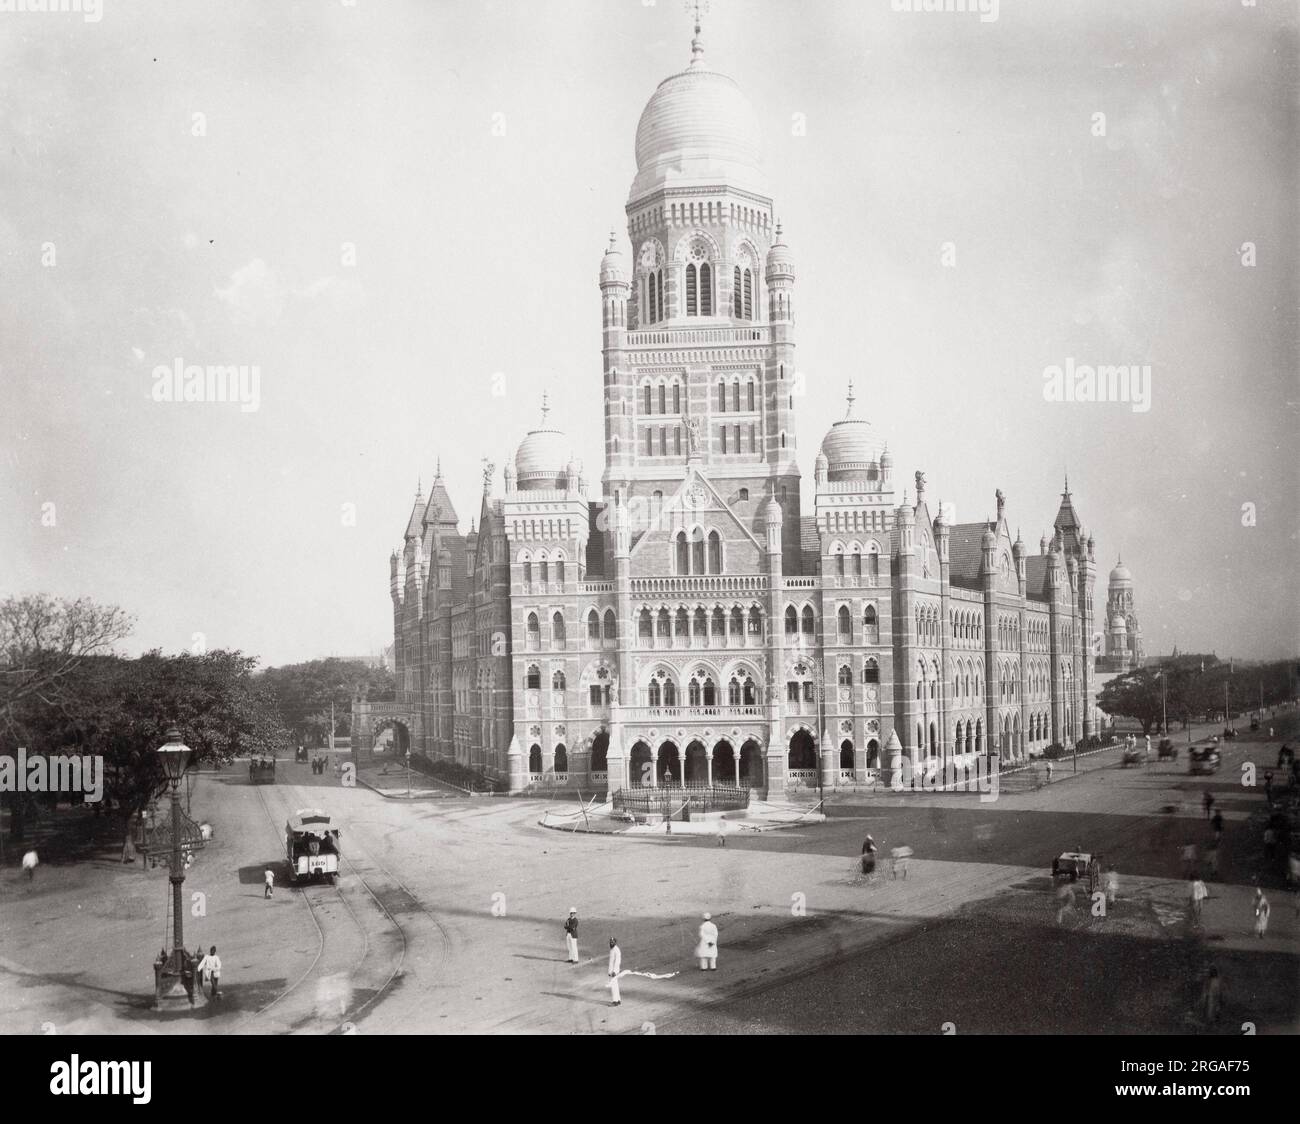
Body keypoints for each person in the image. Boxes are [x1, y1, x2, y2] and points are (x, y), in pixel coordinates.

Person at [607, 938, 622, 1006]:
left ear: (615, 942)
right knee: (615, 985)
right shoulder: (612, 949)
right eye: (610, 942)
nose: (611, 943)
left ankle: (615, 1001)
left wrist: (614, 971)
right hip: (611, 971)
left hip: (614, 972)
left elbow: (617, 961)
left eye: (612, 942)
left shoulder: (616, 950)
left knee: (613, 986)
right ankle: (618, 1000)